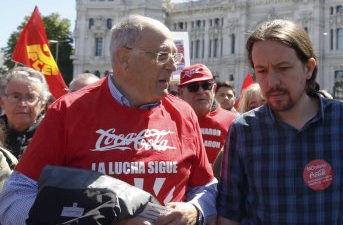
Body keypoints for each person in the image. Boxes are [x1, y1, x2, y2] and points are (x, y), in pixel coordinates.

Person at [0, 15, 217, 225]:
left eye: (174, 56)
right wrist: (96, 221)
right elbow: (14, 200)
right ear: (124, 58)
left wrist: (195, 211)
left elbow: (207, 187)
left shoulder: (183, 114)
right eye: (162, 55)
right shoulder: (67, 111)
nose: (172, 66)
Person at [217, 19, 343, 224]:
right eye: (262, 71)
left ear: (308, 68)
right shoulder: (243, 131)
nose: (272, 82)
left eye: (283, 68)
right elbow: (230, 212)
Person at [178, 63, 236, 163]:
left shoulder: (234, 122)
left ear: (213, 89)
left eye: (206, 86)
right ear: (181, 93)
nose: (201, 91)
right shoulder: (171, 122)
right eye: (193, 87)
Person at [0, 67, 48, 159]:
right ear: (2, 102)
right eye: (15, 96)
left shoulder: (54, 135)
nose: (22, 104)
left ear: (42, 104)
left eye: (30, 97)